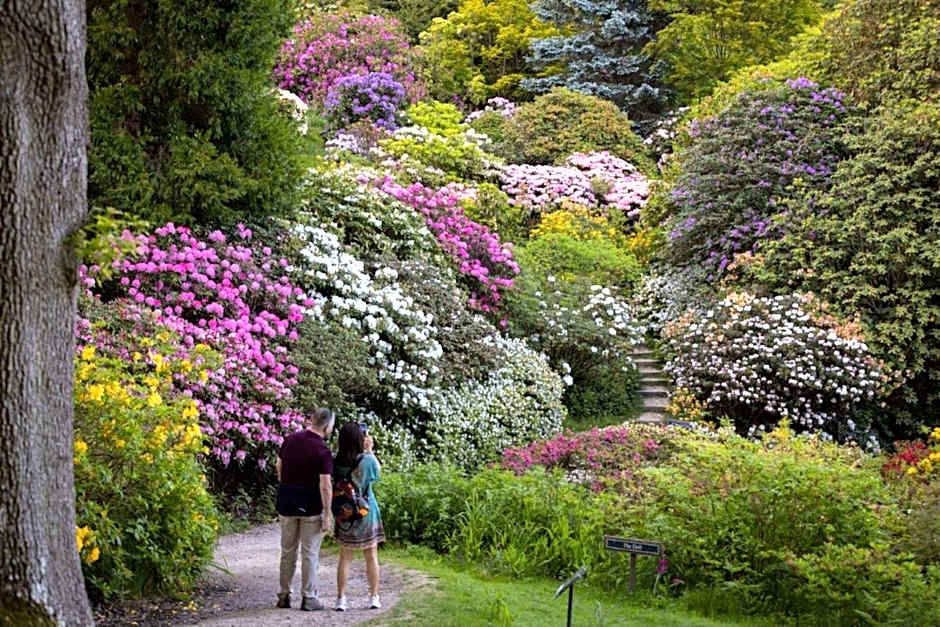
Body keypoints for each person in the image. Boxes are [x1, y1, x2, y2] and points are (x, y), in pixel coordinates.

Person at [275, 408, 335, 611]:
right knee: (310, 553)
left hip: (287, 502)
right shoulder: (323, 451)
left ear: (311, 420)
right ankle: (309, 598)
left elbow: (279, 465)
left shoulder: (290, 439)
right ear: (327, 427)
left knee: (287, 551)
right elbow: (325, 485)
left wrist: (285, 484)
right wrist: (328, 513)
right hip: (311, 506)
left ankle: (284, 594)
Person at [332, 422, 386, 611]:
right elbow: (377, 474)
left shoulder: (335, 462)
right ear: (360, 439)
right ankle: (373, 597)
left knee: (345, 557)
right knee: (371, 556)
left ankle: (341, 598)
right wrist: (370, 450)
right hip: (365, 512)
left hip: (344, 513)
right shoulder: (367, 460)